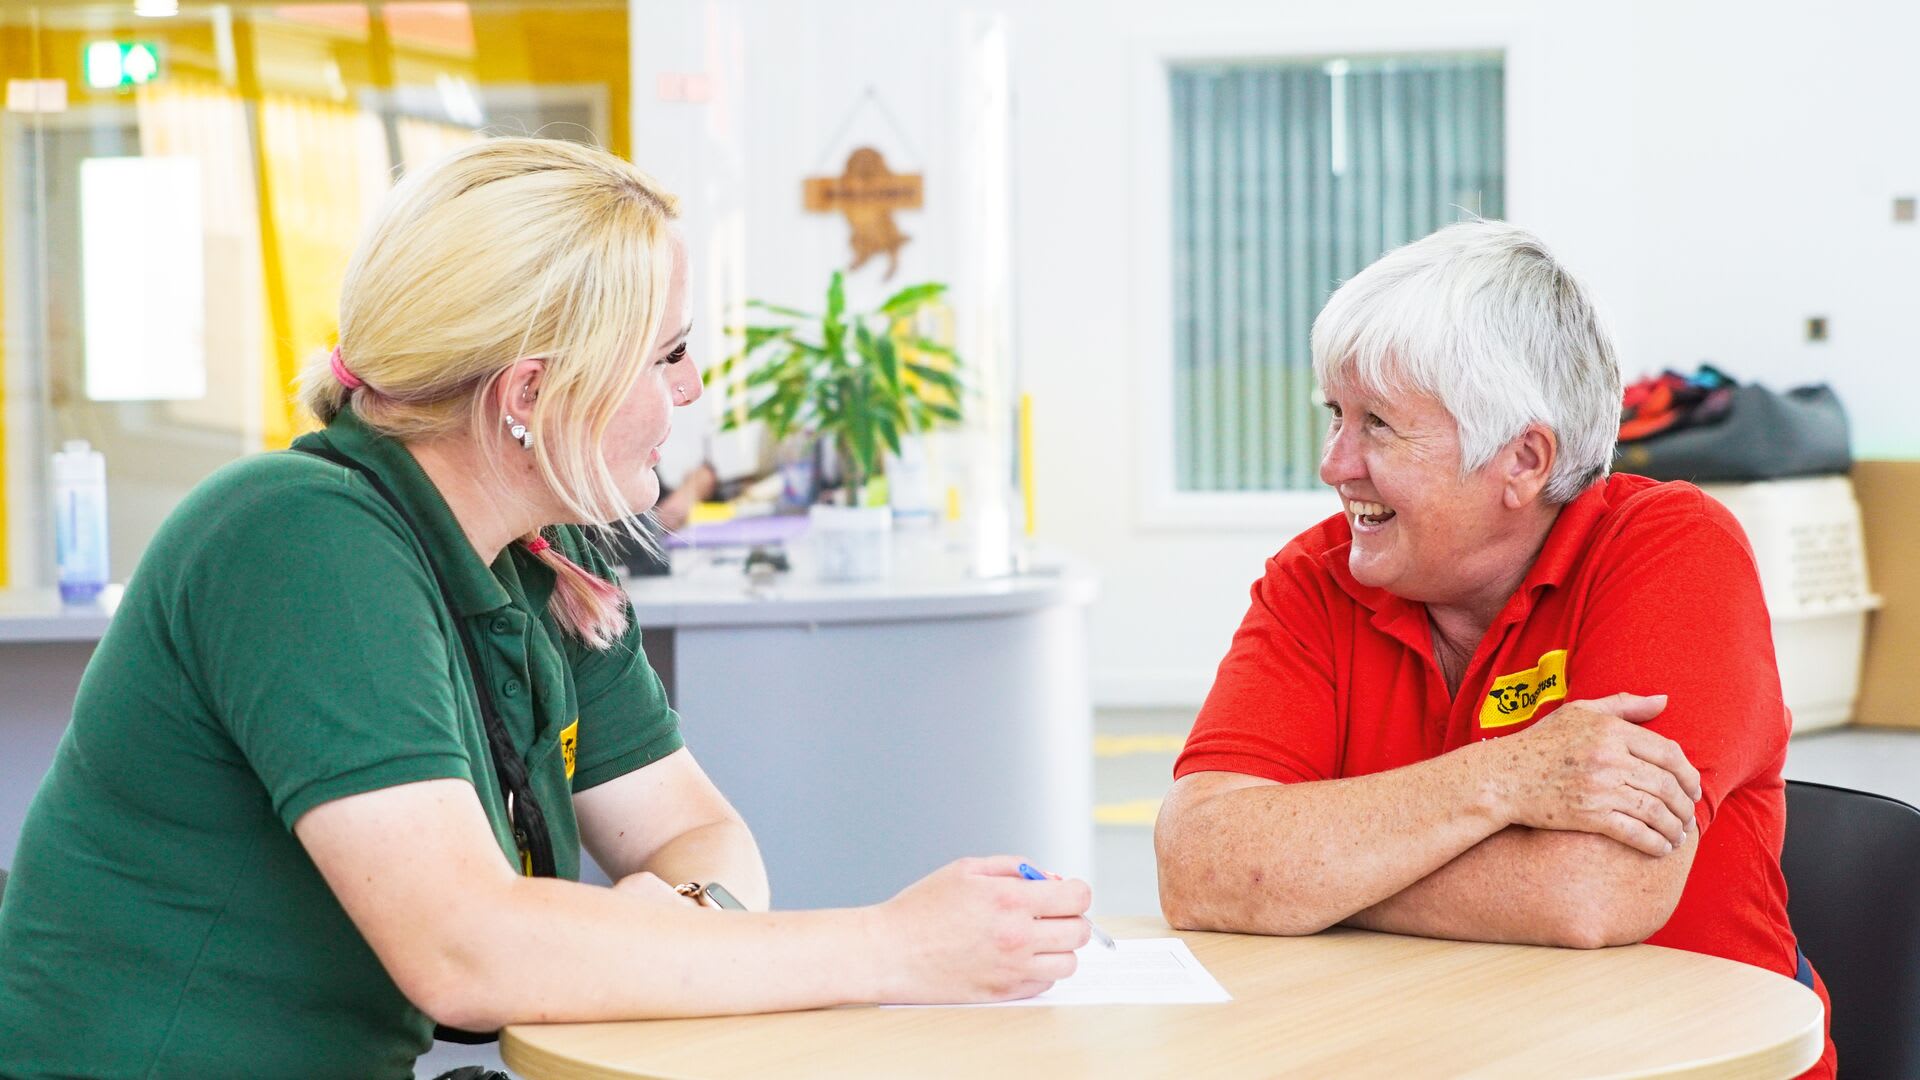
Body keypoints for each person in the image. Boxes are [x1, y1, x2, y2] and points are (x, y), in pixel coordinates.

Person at [0, 137, 1090, 1080]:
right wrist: (890, 949)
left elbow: (693, 830)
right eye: (665, 353)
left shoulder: (541, 557)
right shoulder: (298, 537)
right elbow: (466, 953)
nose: (694, 387)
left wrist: (685, 922)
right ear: (527, 397)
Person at [1154, 221, 1835, 1078]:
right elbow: (1199, 867)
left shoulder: (1671, 548)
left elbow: (1594, 891)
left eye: (1379, 426)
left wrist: (1310, 880)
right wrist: (1506, 777)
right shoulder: (1317, 578)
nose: (1336, 464)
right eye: (1336, 416)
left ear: (1522, 459)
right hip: (1431, 1054)